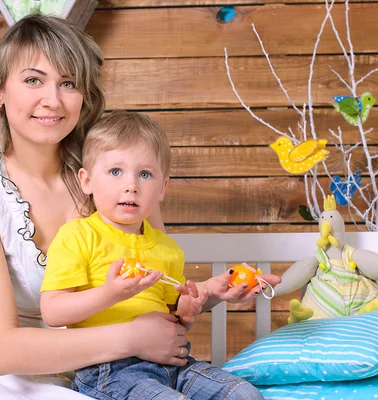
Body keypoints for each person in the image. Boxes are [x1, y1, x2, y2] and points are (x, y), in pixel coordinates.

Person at [0, 14, 280, 399]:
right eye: (33, 80)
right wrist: (130, 338)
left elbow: (156, 299)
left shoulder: (118, 177)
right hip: (33, 386)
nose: (52, 100)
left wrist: (208, 294)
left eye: (69, 83)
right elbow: (3, 352)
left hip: (140, 374)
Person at [40, 111, 266, 399]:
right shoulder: (77, 236)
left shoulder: (166, 248)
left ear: (162, 188)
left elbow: (174, 316)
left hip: (174, 364)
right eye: (115, 171)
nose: (131, 185)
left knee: (243, 394)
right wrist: (111, 293)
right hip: (108, 369)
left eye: (144, 174)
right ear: (87, 181)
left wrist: (196, 303)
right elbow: (53, 311)